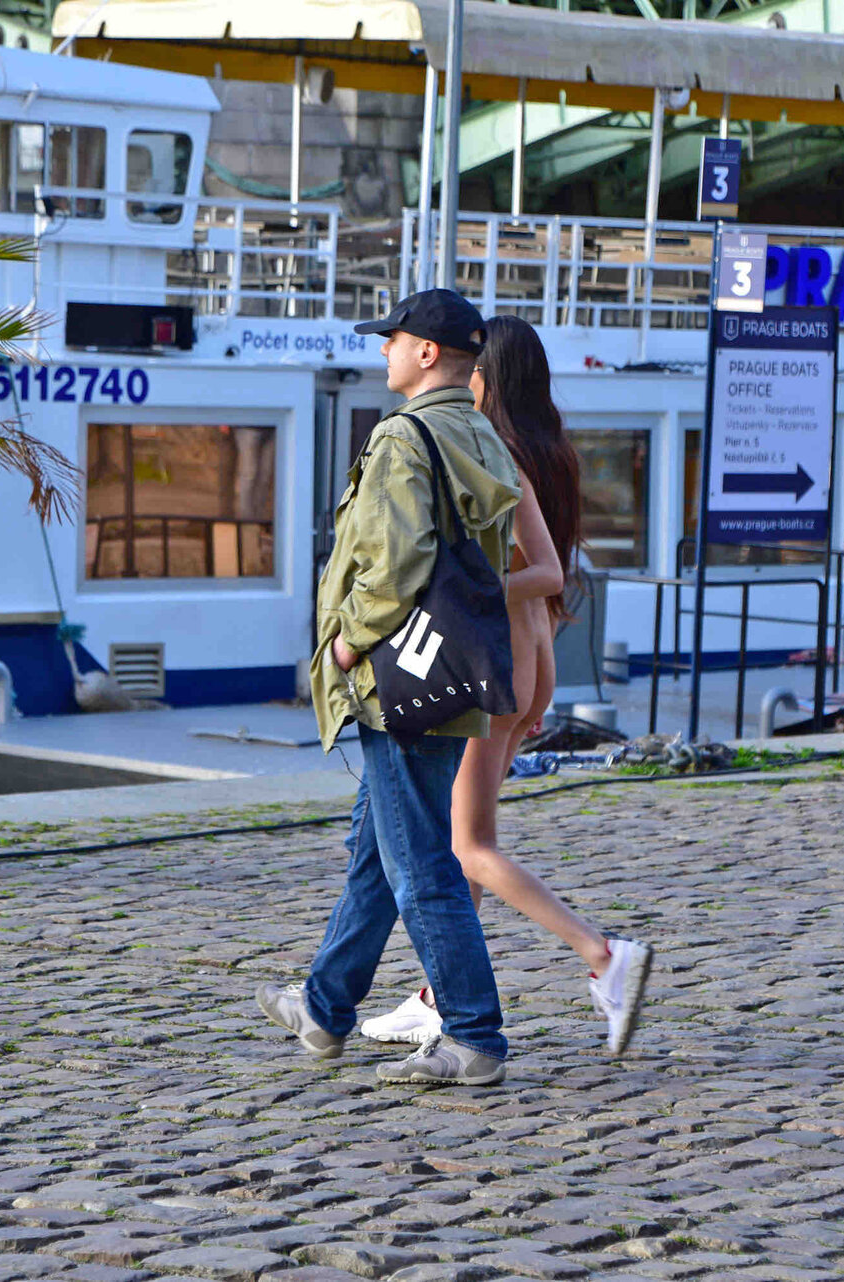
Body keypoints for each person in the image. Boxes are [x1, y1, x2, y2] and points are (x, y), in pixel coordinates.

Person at [359, 315, 654, 1058]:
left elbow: (535, 571)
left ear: (483, 378)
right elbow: (553, 571)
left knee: (468, 845)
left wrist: (456, 588)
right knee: (470, 831)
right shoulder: (550, 452)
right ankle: (435, 996)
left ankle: (602, 955)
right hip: (536, 656)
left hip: (499, 664)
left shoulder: (499, 454)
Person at [256, 288, 524, 1088]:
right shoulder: (480, 433)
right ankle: (324, 1007)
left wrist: (347, 642)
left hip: (396, 681)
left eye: (393, 339)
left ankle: (474, 1036)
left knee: (420, 865)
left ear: (427, 352)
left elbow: (397, 563)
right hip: (450, 675)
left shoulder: (404, 437)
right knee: (380, 851)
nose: (383, 350)